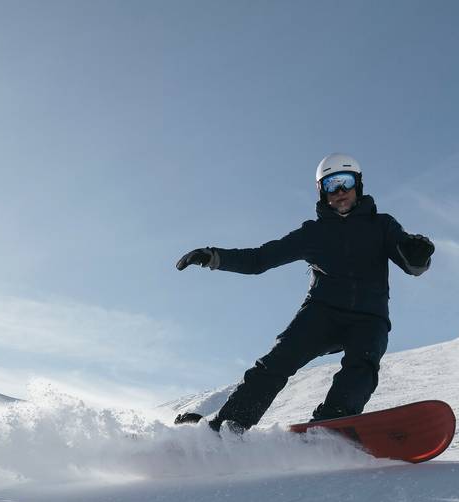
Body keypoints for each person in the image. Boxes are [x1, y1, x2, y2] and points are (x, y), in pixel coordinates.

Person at [174, 153, 434, 433]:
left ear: (358, 185)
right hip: (323, 313)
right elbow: (259, 260)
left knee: (363, 363)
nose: (340, 191)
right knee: (276, 361)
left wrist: (418, 255)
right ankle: (228, 426)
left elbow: (413, 265)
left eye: (345, 182)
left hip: (369, 317)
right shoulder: (314, 233)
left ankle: (330, 423)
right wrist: (213, 257)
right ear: (322, 192)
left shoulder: (382, 225)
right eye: (331, 185)